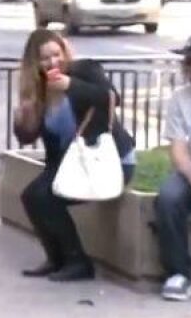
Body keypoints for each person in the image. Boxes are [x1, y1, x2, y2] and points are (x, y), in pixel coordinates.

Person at [14, 28, 135, 282]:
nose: (52, 63)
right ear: (34, 63)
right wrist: (24, 118)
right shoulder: (38, 90)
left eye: (56, 54)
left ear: (65, 51)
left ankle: (78, 262)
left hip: (107, 160)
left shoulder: (85, 70)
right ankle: (56, 258)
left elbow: (111, 97)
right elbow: (27, 138)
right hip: (70, 163)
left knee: (49, 198)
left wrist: (71, 85)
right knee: (30, 196)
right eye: (44, 59)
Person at [153, 31, 191, 301]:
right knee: (168, 198)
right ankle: (180, 273)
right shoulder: (181, 98)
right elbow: (178, 148)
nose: (185, 66)